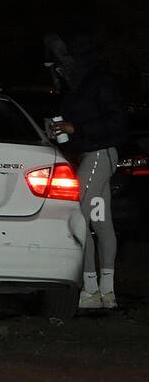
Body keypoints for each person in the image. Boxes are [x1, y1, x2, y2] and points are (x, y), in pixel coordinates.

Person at [45, 33, 125, 310]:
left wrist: (76, 128)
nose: (58, 66)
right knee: (101, 222)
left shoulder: (99, 81)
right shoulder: (75, 86)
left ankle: (90, 288)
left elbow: (117, 121)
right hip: (90, 155)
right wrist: (59, 129)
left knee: (77, 216)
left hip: (100, 154)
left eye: (62, 59)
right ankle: (106, 292)